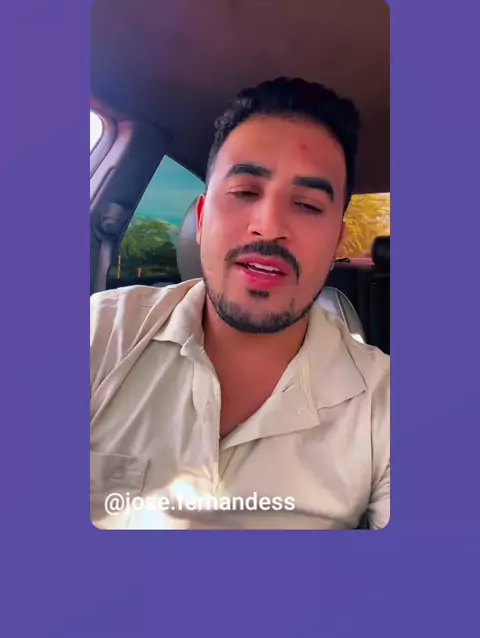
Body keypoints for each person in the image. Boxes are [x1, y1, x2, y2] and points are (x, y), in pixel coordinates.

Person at [90, 77, 390, 530]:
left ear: (336, 245)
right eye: (245, 192)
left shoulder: (385, 402)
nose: (269, 227)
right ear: (201, 219)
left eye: (308, 205)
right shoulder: (100, 331)